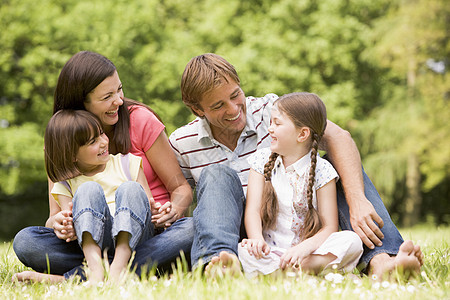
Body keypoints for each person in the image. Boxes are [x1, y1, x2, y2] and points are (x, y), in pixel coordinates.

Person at [168, 53, 422, 279]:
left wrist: (356, 199)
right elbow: (178, 195)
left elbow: (338, 138)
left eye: (236, 95)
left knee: (335, 166)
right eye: (218, 105)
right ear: (197, 110)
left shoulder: (274, 112)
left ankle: (382, 261)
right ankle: (221, 265)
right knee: (217, 175)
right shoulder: (181, 143)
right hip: (242, 236)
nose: (234, 109)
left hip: (297, 225)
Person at [13, 51, 194, 283]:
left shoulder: (140, 121)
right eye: (107, 96)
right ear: (81, 102)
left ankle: (80, 276)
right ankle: (124, 271)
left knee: (191, 228)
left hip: (146, 233)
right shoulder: (62, 142)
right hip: (89, 239)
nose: (118, 100)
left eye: (119, 89)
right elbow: (55, 216)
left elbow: (181, 188)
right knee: (27, 241)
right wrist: (58, 225)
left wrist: (172, 211)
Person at [238, 92, 362, 277]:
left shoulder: (323, 170)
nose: (270, 129)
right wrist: (256, 239)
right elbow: (253, 210)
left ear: (302, 134)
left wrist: (304, 249)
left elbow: (329, 227)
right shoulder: (261, 160)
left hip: (307, 253)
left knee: (352, 240)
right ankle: (303, 272)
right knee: (243, 249)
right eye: (270, 122)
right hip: (270, 251)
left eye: (277, 123)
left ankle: (292, 271)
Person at [46, 110, 169, 283]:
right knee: (26, 242)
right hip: (94, 243)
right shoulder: (65, 185)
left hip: (136, 238)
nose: (104, 142)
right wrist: (58, 222)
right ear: (72, 155)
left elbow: (148, 206)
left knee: (132, 189)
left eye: (101, 133)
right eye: (93, 141)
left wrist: (157, 212)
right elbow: (63, 223)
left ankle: (113, 267)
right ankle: (97, 268)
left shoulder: (128, 163)